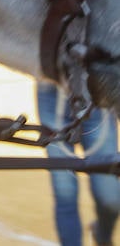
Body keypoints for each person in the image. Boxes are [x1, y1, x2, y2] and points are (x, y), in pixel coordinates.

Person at [38, 81, 120, 246]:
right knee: (65, 193)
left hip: (98, 97)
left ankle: (102, 235)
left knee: (110, 198)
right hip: (52, 96)